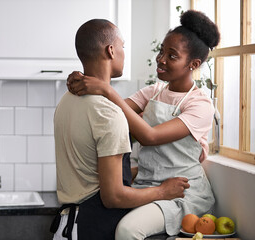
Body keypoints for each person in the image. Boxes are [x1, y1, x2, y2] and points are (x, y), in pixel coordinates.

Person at [67, 10, 220, 239]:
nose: (161, 59)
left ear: (193, 64)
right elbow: (112, 113)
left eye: (172, 55)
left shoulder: (200, 105)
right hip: (148, 187)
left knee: (128, 230)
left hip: (181, 194)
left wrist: (107, 89)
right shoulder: (154, 92)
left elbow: (150, 136)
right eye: (161, 51)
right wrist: (83, 83)